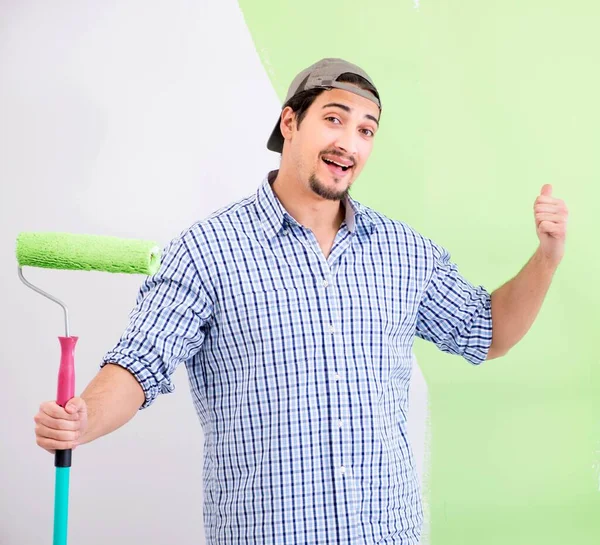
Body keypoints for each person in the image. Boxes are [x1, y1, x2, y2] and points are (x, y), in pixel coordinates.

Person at [33, 58, 569, 544]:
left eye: (366, 130)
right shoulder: (206, 251)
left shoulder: (405, 253)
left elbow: (487, 331)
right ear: (289, 123)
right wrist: (86, 417)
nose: (350, 144)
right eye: (333, 120)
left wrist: (546, 257)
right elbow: (140, 363)